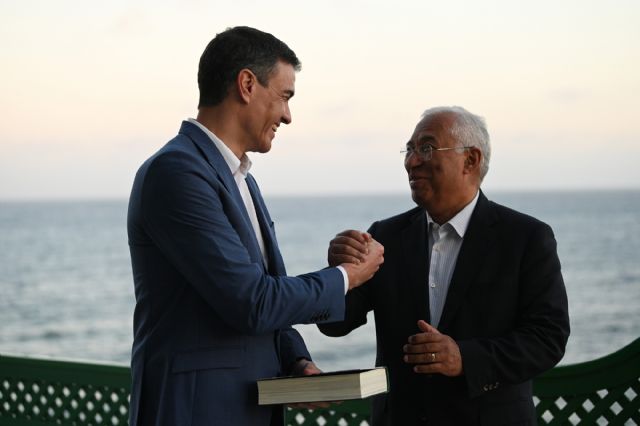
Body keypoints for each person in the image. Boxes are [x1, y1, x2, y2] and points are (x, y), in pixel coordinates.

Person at [126, 26, 384, 426]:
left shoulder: (242, 179)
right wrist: (347, 277)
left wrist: (296, 361)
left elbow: (260, 299)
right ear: (246, 84)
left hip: (251, 406)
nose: (287, 115)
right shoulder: (176, 172)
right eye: (284, 96)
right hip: (196, 410)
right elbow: (252, 301)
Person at [318, 106, 570, 425]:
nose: (411, 161)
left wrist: (465, 358)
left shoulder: (526, 238)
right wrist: (339, 274)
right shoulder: (385, 237)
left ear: (471, 160)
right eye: (409, 150)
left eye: (426, 148)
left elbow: (548, 338)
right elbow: (335, 325)